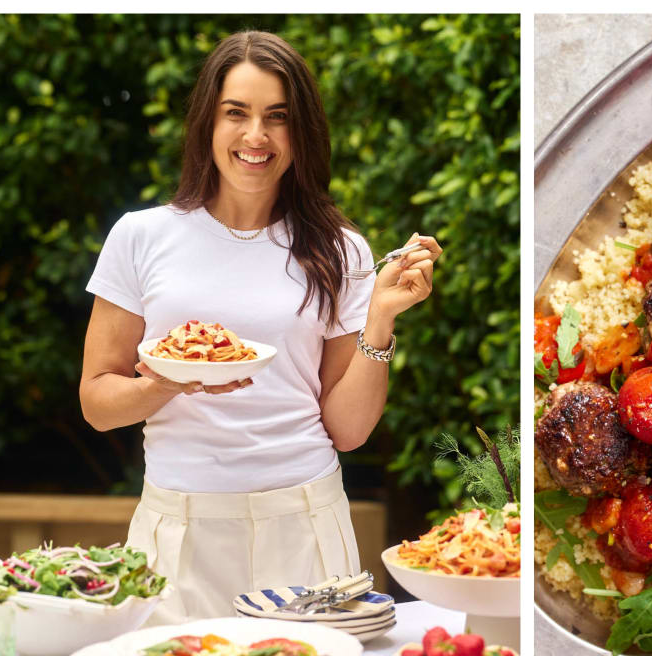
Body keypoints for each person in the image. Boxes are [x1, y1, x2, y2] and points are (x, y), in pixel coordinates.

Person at [79, 30, 441, 624]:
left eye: (278, 117)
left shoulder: (339, 249)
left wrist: (380, 318)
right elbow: (97, 403)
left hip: (304, 522)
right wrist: (171, 382)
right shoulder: (140, 237)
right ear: (207, 123)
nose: (256, 136)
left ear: (301, 132)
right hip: (178, 529)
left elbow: (347, 430)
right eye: (236, 114)